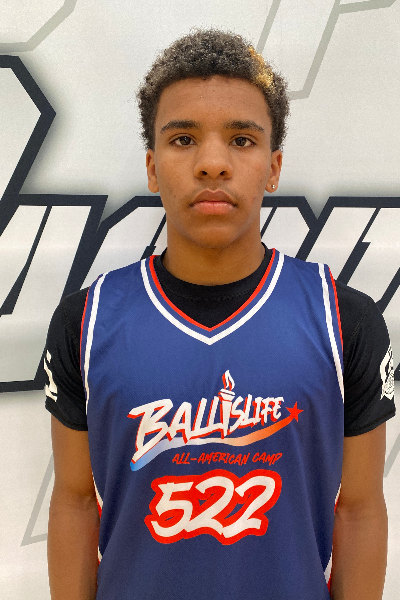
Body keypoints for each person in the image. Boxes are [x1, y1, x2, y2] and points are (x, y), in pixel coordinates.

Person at [45, 29, 395, 600]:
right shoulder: (85, 321)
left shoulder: (343, 320)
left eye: (241, 139)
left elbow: (358, 510)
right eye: (183, 139)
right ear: (153, 168)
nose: (212, 164)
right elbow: (75, 499)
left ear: (273, 168)